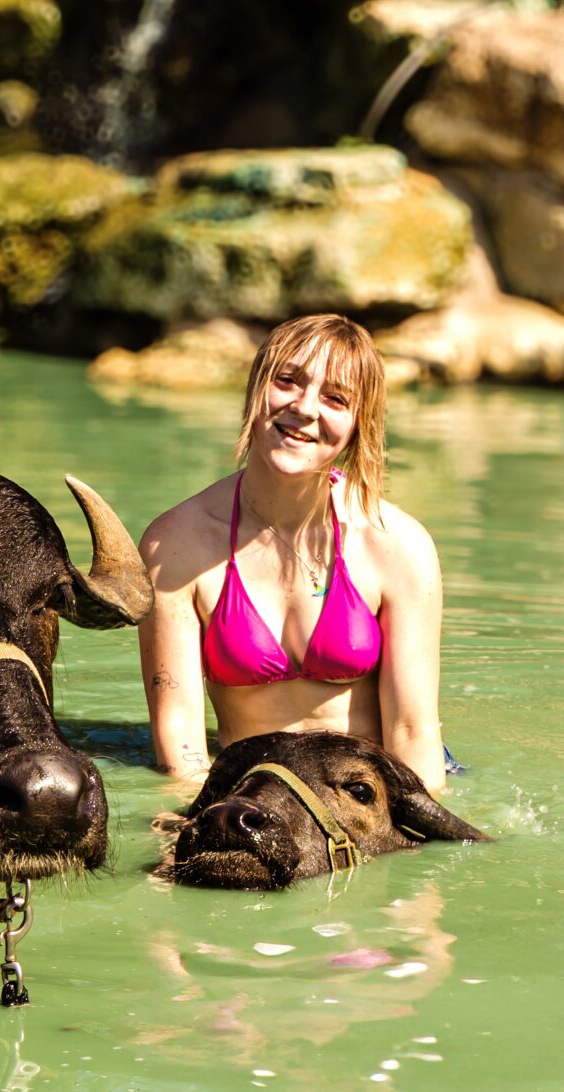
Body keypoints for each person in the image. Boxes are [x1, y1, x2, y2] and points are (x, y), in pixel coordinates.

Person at [136, 313, 451, 793]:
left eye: (335, 398)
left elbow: (412, 733)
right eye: (288, 381)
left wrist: (424, 857)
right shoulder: (176, 544)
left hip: (367, 793)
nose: (304, 408)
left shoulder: (397, 545)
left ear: (358, 424)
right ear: (256, 387)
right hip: (255, 790)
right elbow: (181, 748)